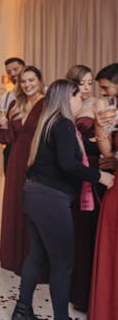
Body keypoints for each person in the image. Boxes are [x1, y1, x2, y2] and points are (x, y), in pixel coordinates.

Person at [12, 79, 114, 320]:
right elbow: (68, 164)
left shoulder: (48, 123)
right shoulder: (64, 124)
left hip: (34, 194)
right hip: (51, 199)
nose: (83, 102)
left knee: (37, 255)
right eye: (80, 98)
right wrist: (100, 176)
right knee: (63, 265)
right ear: (68, 98)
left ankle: (22, 310)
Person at [0, 66, 45, 274]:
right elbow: (6, 139)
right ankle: (14, 257)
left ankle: (33, 259)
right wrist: (3, 125)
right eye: (23, 81)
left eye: (31, 80)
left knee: (34, 208)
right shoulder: (16, 104)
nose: (27, 85)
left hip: (39, 159)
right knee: (15, 204)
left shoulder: (48, 104)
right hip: (16, 159)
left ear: (40, 81)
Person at [65, 65, 104, 312]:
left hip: (94, 172)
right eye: (83, 84)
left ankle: (88, 292)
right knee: (75, 232)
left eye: (91, 83)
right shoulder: (68, 107)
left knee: (89, 231)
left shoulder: (98, 105)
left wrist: (97, 140)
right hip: (73, 176)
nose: (88, 88)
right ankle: (74, 288)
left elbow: (103, 139)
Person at [88, 63, 118, 320]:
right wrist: (100, 125)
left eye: (107, 87)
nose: (104, 93)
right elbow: (107, 152)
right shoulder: (112, 109)